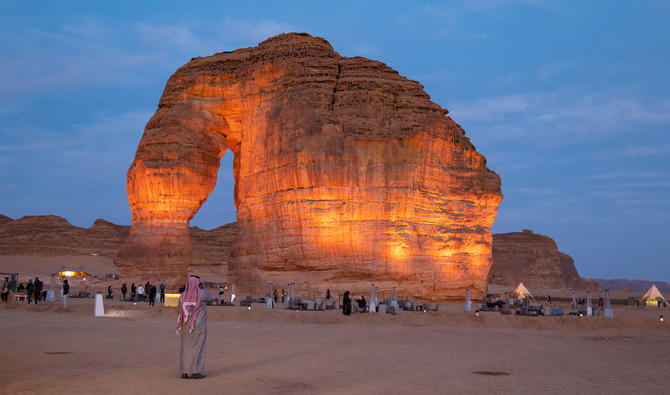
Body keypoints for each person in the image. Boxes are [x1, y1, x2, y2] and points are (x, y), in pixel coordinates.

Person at [177, 275, 216, 379]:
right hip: (198, 326)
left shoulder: (182, 296)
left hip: (185, 326)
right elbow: (212, 299)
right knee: (198, 348)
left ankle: (184, 371)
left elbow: (178, 311)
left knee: (185, 347)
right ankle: (195, 371)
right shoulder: (202, 293)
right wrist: (203, 288)